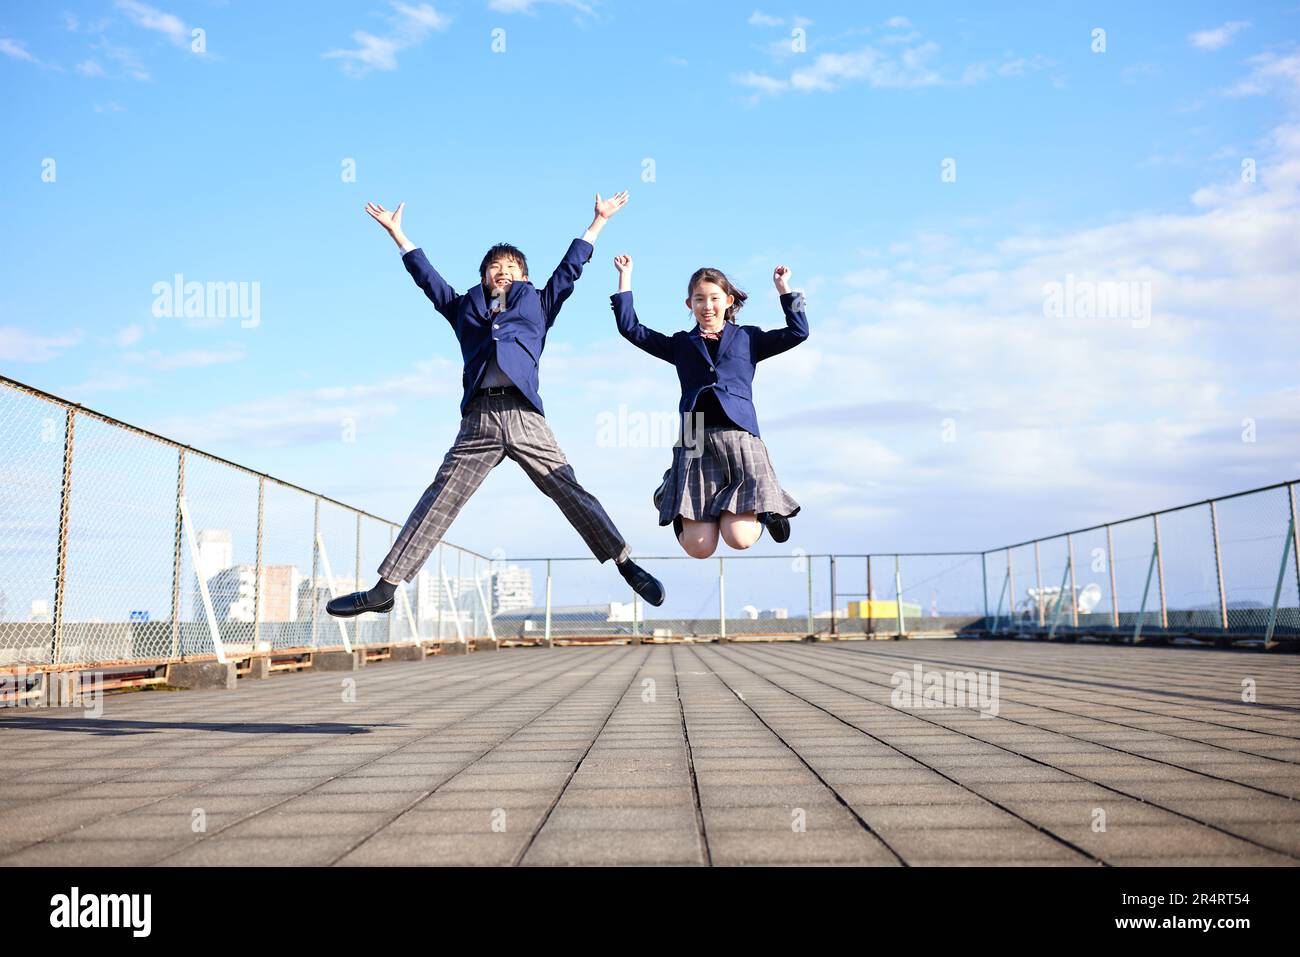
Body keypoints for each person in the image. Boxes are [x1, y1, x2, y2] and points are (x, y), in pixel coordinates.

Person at [326, 194, 666, 617]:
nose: (502, 272)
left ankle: (625, 564)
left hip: (524, 416)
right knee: (439, 497)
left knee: (568, 489)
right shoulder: (463, 309)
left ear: (523, 277)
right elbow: (427, 278)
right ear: (483, 276)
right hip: (479, 420)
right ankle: (385, 588)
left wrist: (596, 223)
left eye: (511, 268)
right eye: (494, 267)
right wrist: (398, 234)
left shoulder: (539, 303)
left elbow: (570, 270)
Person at [610, 256, 806, 558]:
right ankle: (671, 498)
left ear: (728, 300)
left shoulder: (748, 338)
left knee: (739, 538)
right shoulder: (681, 344)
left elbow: (798, 332)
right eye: (699, 299)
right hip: (695, 438)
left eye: (714, 298)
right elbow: (631, 329)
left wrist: (785, 290)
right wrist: (625, 278)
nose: (707, 305)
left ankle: (767, 513)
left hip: (739, 435)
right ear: (689, 304)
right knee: (699, 548)